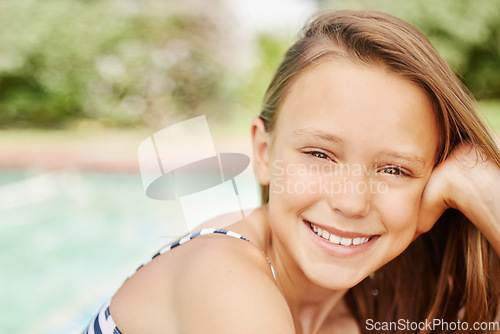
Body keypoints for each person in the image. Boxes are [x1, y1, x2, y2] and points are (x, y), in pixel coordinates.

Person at [83, 10, 500, 334]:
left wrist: (478, 181)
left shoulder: (369, 308)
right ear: (264, 153)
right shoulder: (221, 279)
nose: (351, 201)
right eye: (320, 154)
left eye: (394, 169)